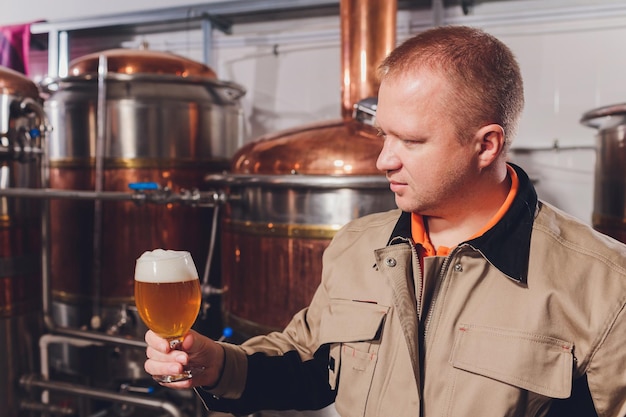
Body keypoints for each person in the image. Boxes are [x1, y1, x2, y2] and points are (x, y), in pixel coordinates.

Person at [143, 25, 626, 416]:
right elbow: (311, 363)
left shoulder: (604, 286)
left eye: (411, 141)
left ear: (486, 145)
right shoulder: (358, 246)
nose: (384, 160)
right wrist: (218, 364)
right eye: (383, 135)